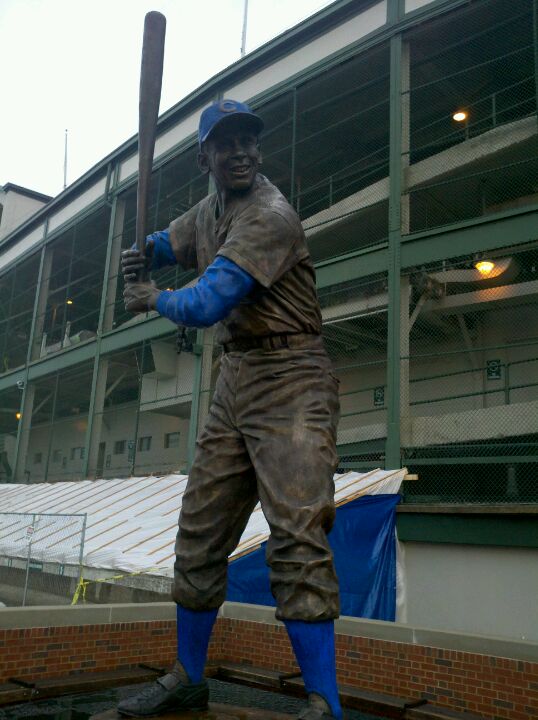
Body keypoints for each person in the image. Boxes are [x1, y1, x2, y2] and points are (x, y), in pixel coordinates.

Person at [118, 99, 342, 720]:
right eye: (226, 143)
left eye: (249, 140)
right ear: (206, 159)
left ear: (258, 151)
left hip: (293, 377)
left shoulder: (270, 215)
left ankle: (325, 704)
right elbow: (172, 239)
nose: (241, 150)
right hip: (235, 377)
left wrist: (152, 296)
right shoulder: (210, 208)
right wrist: (144, 250)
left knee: (297, 538)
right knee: (198, 534)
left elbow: (209, 301)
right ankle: (189, 677)